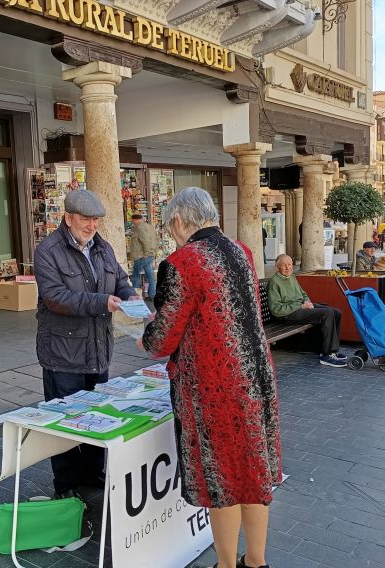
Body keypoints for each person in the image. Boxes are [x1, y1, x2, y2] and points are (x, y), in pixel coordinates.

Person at [138, 188, 281, 568]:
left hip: (215, 385)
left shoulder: (182, 262)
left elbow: (164, 335)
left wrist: (143, 334)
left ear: (181, 221)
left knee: (222, 480)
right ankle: (257, 561)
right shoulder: (242, 252)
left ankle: (225, 565)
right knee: (254, 471)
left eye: (171, 228)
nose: (173, 236)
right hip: (255, 376)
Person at [34, 190, 138, 499]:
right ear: (67, 218)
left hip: (98, 351)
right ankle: (66, 485)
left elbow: (119, 278)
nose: (91, 226)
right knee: (65, 424)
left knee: (97, 418)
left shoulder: (102, 247)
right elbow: (55, 298)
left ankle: (93, 474)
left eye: (96, 220)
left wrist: (130, 295)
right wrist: (102, 302)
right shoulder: (48, 250)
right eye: (85, 219)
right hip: (62, 354)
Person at [268, 255, 348, 368]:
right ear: (277, 267)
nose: (287, 268)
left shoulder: (292, 277)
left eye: (289, 264)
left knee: (336, 312)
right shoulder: (274, 282)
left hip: (301, 307)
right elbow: (276, 309)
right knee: (327, 314)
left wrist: (307, 302)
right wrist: (301, 306)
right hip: (287, 314)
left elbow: (303, 294)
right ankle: (327, 355)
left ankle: (332, 351)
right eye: (283, 265)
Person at [129, 213, 158, 300]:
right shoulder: (149, 226)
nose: (132, 222)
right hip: (149, 255)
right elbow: (156, 239)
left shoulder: (139, 227)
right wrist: (152, 253)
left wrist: (146, 254)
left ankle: (136, 297)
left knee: (136, 276)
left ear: (135, 219)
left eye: (132, 221)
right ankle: (152, 295)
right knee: (150, 276)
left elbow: (145, 241)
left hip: (141, 256)